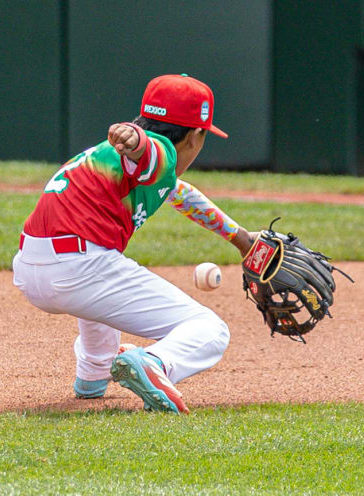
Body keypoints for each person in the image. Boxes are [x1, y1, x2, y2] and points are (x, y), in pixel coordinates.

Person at [13, 74, 256, 414]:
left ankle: (94, 374)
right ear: (195, 136)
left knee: (101, 295)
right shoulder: (157, 151)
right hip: (81, 267)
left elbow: (180, 193)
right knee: (211, 330)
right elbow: (150, 153)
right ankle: (156, 362)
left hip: (31, 266)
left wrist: (243, 240)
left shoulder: (111, 157)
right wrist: (137, 141)